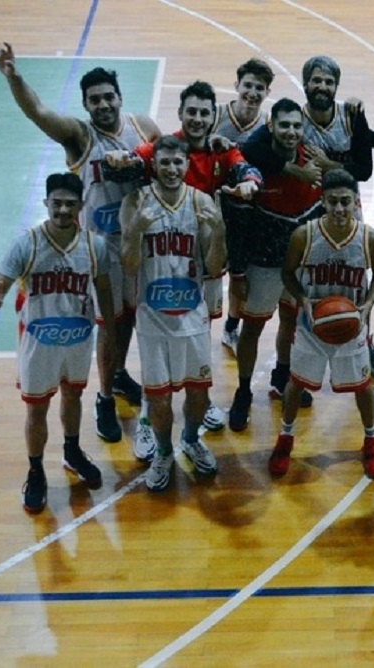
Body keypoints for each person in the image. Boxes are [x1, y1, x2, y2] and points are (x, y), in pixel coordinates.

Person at [0, 43, 161, 445]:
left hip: (138, 243)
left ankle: (118, 374)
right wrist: (14, 77)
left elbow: (169, 161)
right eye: (94, 99)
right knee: (108, 325)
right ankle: (104, 399)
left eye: (108, 97)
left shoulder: (142, 127)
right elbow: (39, 113)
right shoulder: (80, 136)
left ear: (120, 97)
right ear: (86, 105)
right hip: (99, 252)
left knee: (129, 318)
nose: (103, 104)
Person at [105, 80, 262, 451]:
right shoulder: (165, 148)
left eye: (204, 113)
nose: (197, 118)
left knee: (199, 332)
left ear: (213, 117)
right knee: (155, 351)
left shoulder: (221, 150)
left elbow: (248, 170)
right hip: (160, 256)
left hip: (201, 250)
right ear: (180, 114)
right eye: (191, 111)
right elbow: (133, 160)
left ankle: (199, 399)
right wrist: (120, 160)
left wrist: (250, 184)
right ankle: (149, 414)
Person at [243, 55, 374, 380]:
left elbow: (364, 170)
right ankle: (306, 350)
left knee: (355, 283)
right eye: (316, 80)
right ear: (306, 84)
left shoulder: (351, 116)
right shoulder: (295, 120)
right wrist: (294, 170)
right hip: (307, 210)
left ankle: (364, 342)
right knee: (310, 286)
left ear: (336, 86)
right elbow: (252, 150)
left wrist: (327, 166)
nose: (322, 86)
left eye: (328, 82)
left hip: (344, 207)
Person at [0, 173, 114, 514]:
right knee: (37, 409)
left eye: (70, 204)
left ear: (81, 206)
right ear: (46, 203)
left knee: (73, 395)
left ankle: (72, 452)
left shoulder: (94, 246)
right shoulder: (26, 244)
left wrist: (110, 329)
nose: (63, 210)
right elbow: (0, 282)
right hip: (38, 341)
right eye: (57, 203)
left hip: (78, 338)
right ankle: (36, 471)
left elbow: (103, 289)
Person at [119, 135, 225, 491]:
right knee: (159, 397)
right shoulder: (135, 201)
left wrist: (218, 231)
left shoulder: (201, 202)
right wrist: (136, 230)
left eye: (177, 162)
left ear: (186, 164)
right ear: (154, 164)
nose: (171, 168)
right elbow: (129, 267)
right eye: (164, 162)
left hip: (192, 317)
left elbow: (214, 266)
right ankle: (164, 451)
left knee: (199, 395)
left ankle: (191, 440)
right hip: (152, 319)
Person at [270, 169, 374, 477]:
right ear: (322, 201)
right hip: (311, 326)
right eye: (332, 201)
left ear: (356, 202)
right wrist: (302, 299)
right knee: (296, 383)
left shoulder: (369, 237)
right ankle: (285, 438)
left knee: (363, 386)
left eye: (345, 201)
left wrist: (368, 304)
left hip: (351, 325)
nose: (339, 208)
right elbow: (287, 273)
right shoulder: (304, 235)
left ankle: (372, 441)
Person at [228, 98, 324, 432]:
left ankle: (282, 375)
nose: (291, 131)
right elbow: (238, 224)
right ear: (271, 126)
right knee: (252, 328)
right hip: (263, 263)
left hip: (298, 265)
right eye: (284, 125)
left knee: (291, 322)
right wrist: (237, 272)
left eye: (297, 126)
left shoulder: (314, 161)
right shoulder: (254, 164)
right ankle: (243, 391)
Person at [213, 57, 276, 355]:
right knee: (208, 273)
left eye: (259, 88)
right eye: (248, 85)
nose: (252, 93)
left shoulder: (268, 126)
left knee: (242, 277)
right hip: (214, 209)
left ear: (267, 92)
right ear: (236, 85)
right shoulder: (214, 116)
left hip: (250, 212)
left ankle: (231, 326)